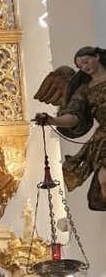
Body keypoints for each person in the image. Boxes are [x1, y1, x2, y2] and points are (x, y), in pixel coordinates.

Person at [35, 45, 106, 210]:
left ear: (96, 57)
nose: (85, 67)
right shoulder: (84, 89)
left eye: (86, 62)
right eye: (80, 66)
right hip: (104, 136)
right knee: (103, 179)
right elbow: (74, 117)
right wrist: (52, 120)